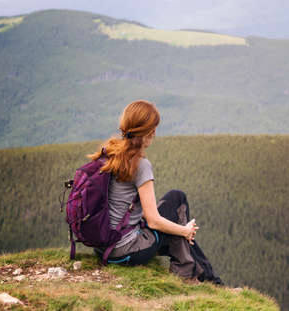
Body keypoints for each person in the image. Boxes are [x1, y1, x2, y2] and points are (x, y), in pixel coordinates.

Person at [90, 100, 221, 284]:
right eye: (153, 129)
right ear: (146, 132)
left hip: (103, 246)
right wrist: (185, 231)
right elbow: (153, 220)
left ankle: (206, 278)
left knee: (175, 217)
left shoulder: (111, 153)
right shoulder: (140, 164)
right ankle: (193, 276)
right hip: (125, 249)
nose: (155, 133)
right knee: (177, 201)